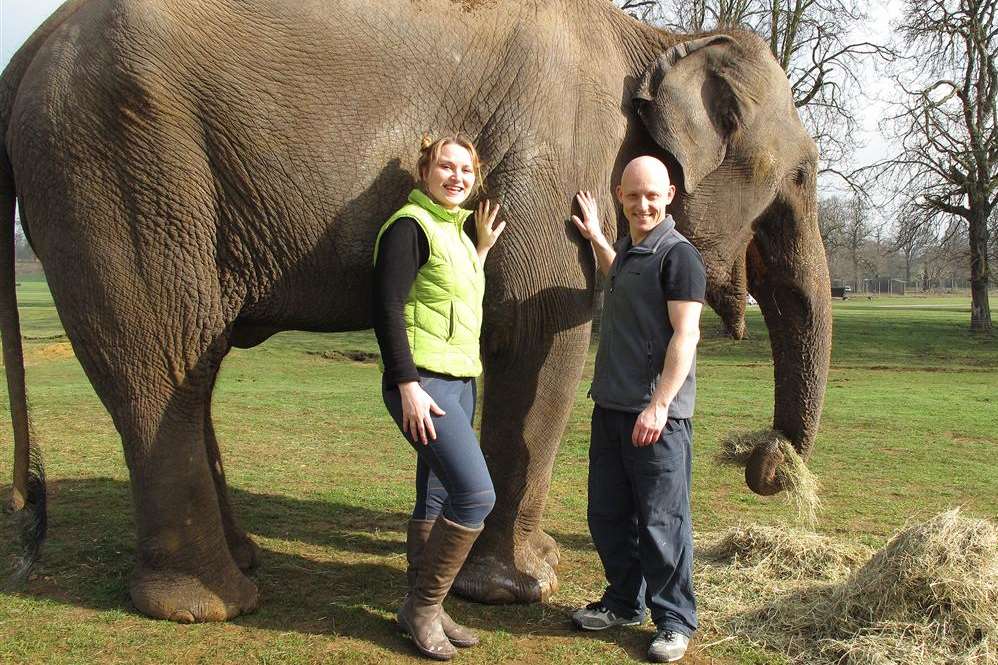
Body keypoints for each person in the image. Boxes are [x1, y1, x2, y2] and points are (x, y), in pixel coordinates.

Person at [372, 134, 505, 661]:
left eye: (466, 171)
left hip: (458, 381)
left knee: (436, 495)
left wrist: (480, 251)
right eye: (446, 167)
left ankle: (424, 602)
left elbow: (448, 297)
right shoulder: (409, 227)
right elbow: (386, 308)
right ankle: (423, 607)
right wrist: (406, 384)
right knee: (476, 495)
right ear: (425, 171)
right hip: (424, 384)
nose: (456, 177)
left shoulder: (452, 232)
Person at [569, 156, 705, 663]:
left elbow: (685, 334)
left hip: (656, 417)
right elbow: (621, 276)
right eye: (633, 195)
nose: (643, 204)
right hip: (610, 408)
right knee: (607, 514)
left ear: (669, 194)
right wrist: (598, 237)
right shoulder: (631, 251)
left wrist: (660, 405)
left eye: (652, 195)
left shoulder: (679, 257)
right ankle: (624, 601)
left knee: (662, 522)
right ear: (620, 195)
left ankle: (674, 620)